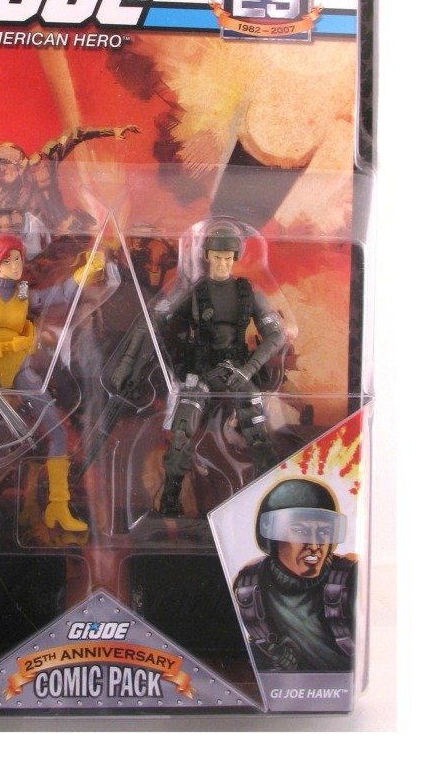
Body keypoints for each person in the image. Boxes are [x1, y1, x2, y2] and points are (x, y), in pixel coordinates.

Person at [0, 233, 108, 531]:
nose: (16, 265)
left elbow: (59, 294)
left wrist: (85, 271)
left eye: (18, 259)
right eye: (8, 260)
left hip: (21, 371)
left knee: (58, 433)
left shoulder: (24, 292)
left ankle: (58, 507)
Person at [133, 221, 287, 515]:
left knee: (256, 430)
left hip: (237, 370)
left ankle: (272, 494)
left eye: (228, 258)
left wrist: (248, 369)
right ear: (207, 256)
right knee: (182, 435)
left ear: (235, 258)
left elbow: (276, 336)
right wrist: (137, 359)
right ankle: (170, 500)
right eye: (217, 257)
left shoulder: (247, 293)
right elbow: (158, 320)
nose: (222, 264)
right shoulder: (194, 291)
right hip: (201, 372)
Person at [232, 478, 355, 672]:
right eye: (300, 531)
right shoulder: (249, 584)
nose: (314, 545)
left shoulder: (351, 579)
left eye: (324, 531)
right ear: (272, 536)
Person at [0, 125, 138, 233]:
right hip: (35, 242)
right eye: (1, 171)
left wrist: (112, 131)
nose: (7, 173)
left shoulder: (44, 163)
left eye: (7, 168)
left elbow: (75, 135)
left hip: (68, 229)